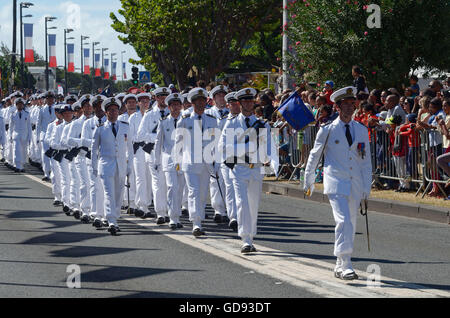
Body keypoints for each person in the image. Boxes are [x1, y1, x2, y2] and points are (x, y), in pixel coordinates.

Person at [304, 86, 372, 280]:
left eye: (352, 104)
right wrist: (308, 179)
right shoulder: (327, 130)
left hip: (355, 183)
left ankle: (340, 263)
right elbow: (314, 155)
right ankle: (346, 262)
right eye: (346, 104)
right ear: (338, 106)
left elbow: (365, 161)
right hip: (336, 181)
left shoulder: (360, 129)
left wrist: (367, 187)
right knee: (343, 220)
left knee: (351, 221)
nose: (350, 107)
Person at [218, 87, 272, 253]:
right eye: (245, 101)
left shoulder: (262, 124)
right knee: (242, 203)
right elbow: (222, 148)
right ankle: (245, 239)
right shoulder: (231, 123)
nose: (248, 103)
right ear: (239, 103)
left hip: (256, 169)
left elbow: (267, 150)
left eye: (250, 100)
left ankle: (251, 236)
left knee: (253, 204)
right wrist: (248, 146)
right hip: (239, 169)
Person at [175, 87, 219, 237]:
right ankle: (196, 223)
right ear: (192, 103)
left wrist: (216, 163)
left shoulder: (212, 121)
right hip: (190, 162)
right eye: (197, 102)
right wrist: (178, 163)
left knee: (202, 193)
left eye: (202, 101)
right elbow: (178, 143)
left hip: (206, 164)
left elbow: (216, 143)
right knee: (193, 192)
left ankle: (199, 218)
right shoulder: (185, 120)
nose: (200, 104)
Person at [92, 97, 133, 235]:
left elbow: (130, 149)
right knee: (109, 193)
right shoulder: (100, 129)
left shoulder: (125, 126)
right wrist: (94, 167)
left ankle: (114, 216)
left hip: (121, 165)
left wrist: (129, 166)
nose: (113, 113)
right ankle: (111, 221)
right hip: (106, 165)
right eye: (110, 110)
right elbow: (94, 150)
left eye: (115, 110)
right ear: (106, 112)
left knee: (119, 193)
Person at [136, 87, 171, 225]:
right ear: (155, 98)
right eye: (160, 97)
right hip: (153, 154)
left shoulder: (171, 112)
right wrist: (157, 137)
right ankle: (161, 213)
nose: (163, 99)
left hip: (169, 154)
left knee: (170, 184)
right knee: (157, 184)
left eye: (165, 96)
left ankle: (170, 211)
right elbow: (140, 134)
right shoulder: (150, 114)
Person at [154, 93, 185, 230]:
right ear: (169, 107)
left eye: (178, 105)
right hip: (169, 159)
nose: (176, 107)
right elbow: (158, 142)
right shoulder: (163, 122)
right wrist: (156, 160)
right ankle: (172, 218)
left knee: (180, 189)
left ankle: (177, 216)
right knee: (172, 187)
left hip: (184, 159)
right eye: (173, 105)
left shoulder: (186, 121)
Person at [8, 97, 31, 172]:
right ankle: (17, 166)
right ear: (16, 105)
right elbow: (10, 127)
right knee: (16, 150)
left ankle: (22, 165)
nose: (20, 106)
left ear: (23, 105)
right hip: (16, 134)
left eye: (21, 104)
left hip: (24, 135)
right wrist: (10, 136)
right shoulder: (13, 114)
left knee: (24, 151)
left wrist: (30, 137)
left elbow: (29, 127)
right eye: (18, 104)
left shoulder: (27, 114)